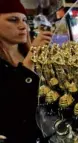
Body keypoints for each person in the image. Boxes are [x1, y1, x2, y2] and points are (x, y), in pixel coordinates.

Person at [0, 0, 52, 143]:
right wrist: (31, 59)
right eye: (13, 20)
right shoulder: (29, 56)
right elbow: (10, 107)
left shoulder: (26, 53)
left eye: (24, 20)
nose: (23, 26)